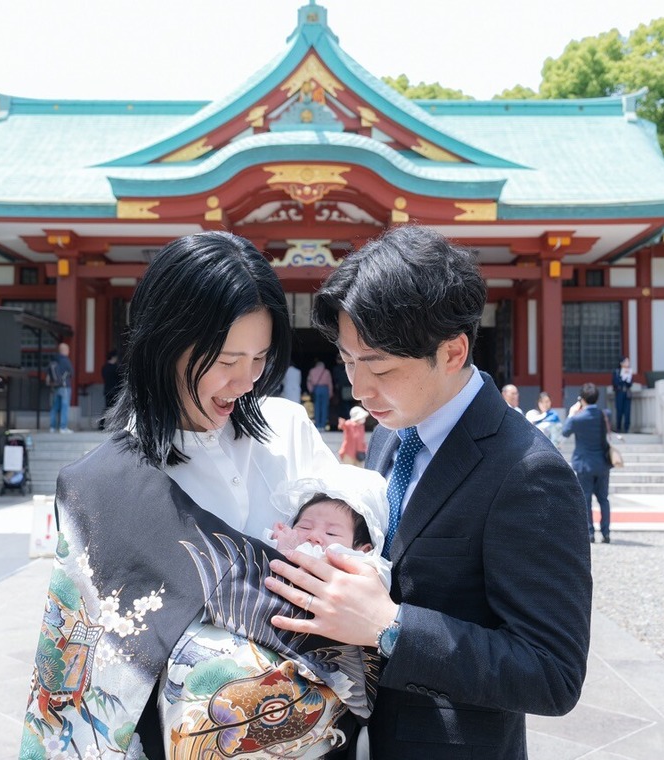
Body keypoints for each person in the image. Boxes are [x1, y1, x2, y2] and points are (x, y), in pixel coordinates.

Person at [20, 231, 373, 760]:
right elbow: (92, 670)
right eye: (226, 359)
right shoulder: (106, 486)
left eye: (260, 358)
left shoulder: (289, 430)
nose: (246, 381)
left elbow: (359, 554)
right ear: (166, 343)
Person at [263, 225, 592, 759]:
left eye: (381, 367)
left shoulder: (528, 472)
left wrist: (390, 627)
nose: (359, 389)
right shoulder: (393, 434)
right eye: (348, 361)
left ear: (454, 351)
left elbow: (553, 674)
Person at [562, 383, 614, 544]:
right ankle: (606, 532)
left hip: (585, 464)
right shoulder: (604, 414)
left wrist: (571, 413)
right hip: (602, 463)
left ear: (582, 399)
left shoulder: (578, 418)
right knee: (603, 499)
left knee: (586, 499)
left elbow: (565, 432)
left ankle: (589, 532)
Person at [47, 342, 74, 434]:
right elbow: (71, 372)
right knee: (65, 407)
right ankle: (63, 427)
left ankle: (52, 427)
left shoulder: (54, 360)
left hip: (55, 387)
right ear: (65, 350)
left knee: (54, 407)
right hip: (65, 387)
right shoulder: (65, 360)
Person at [306, 359, 332, 431]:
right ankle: (322, 426)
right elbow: (330, 383)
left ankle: (317, 425)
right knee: (324, 408)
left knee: (316, 407)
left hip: (316, 389)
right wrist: (330, 393)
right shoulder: (327, 372)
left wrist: (311, 390)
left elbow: (309, 381)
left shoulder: (312, 371)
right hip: (325, 389)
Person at [99, 349, 120, 430]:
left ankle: (101, 424)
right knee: (116, 408)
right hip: (115, 391)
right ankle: (116, 425)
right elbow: (119, 379)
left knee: (107, 408)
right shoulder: (115, 368)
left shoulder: (104, 367)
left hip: (107, 389)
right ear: (113, 357)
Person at [612, 357, 634, 433]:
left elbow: (630, 383)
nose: (628, 363)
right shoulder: (617, 371)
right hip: (620, 392)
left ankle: (626, 428)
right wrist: (622, 379)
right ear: (621, 363)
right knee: (619, 410)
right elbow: (615, 382)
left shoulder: (630, 371)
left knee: (627, 410)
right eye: (626, 361)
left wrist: (627, 380)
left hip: (627, 392)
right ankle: (618, 427)